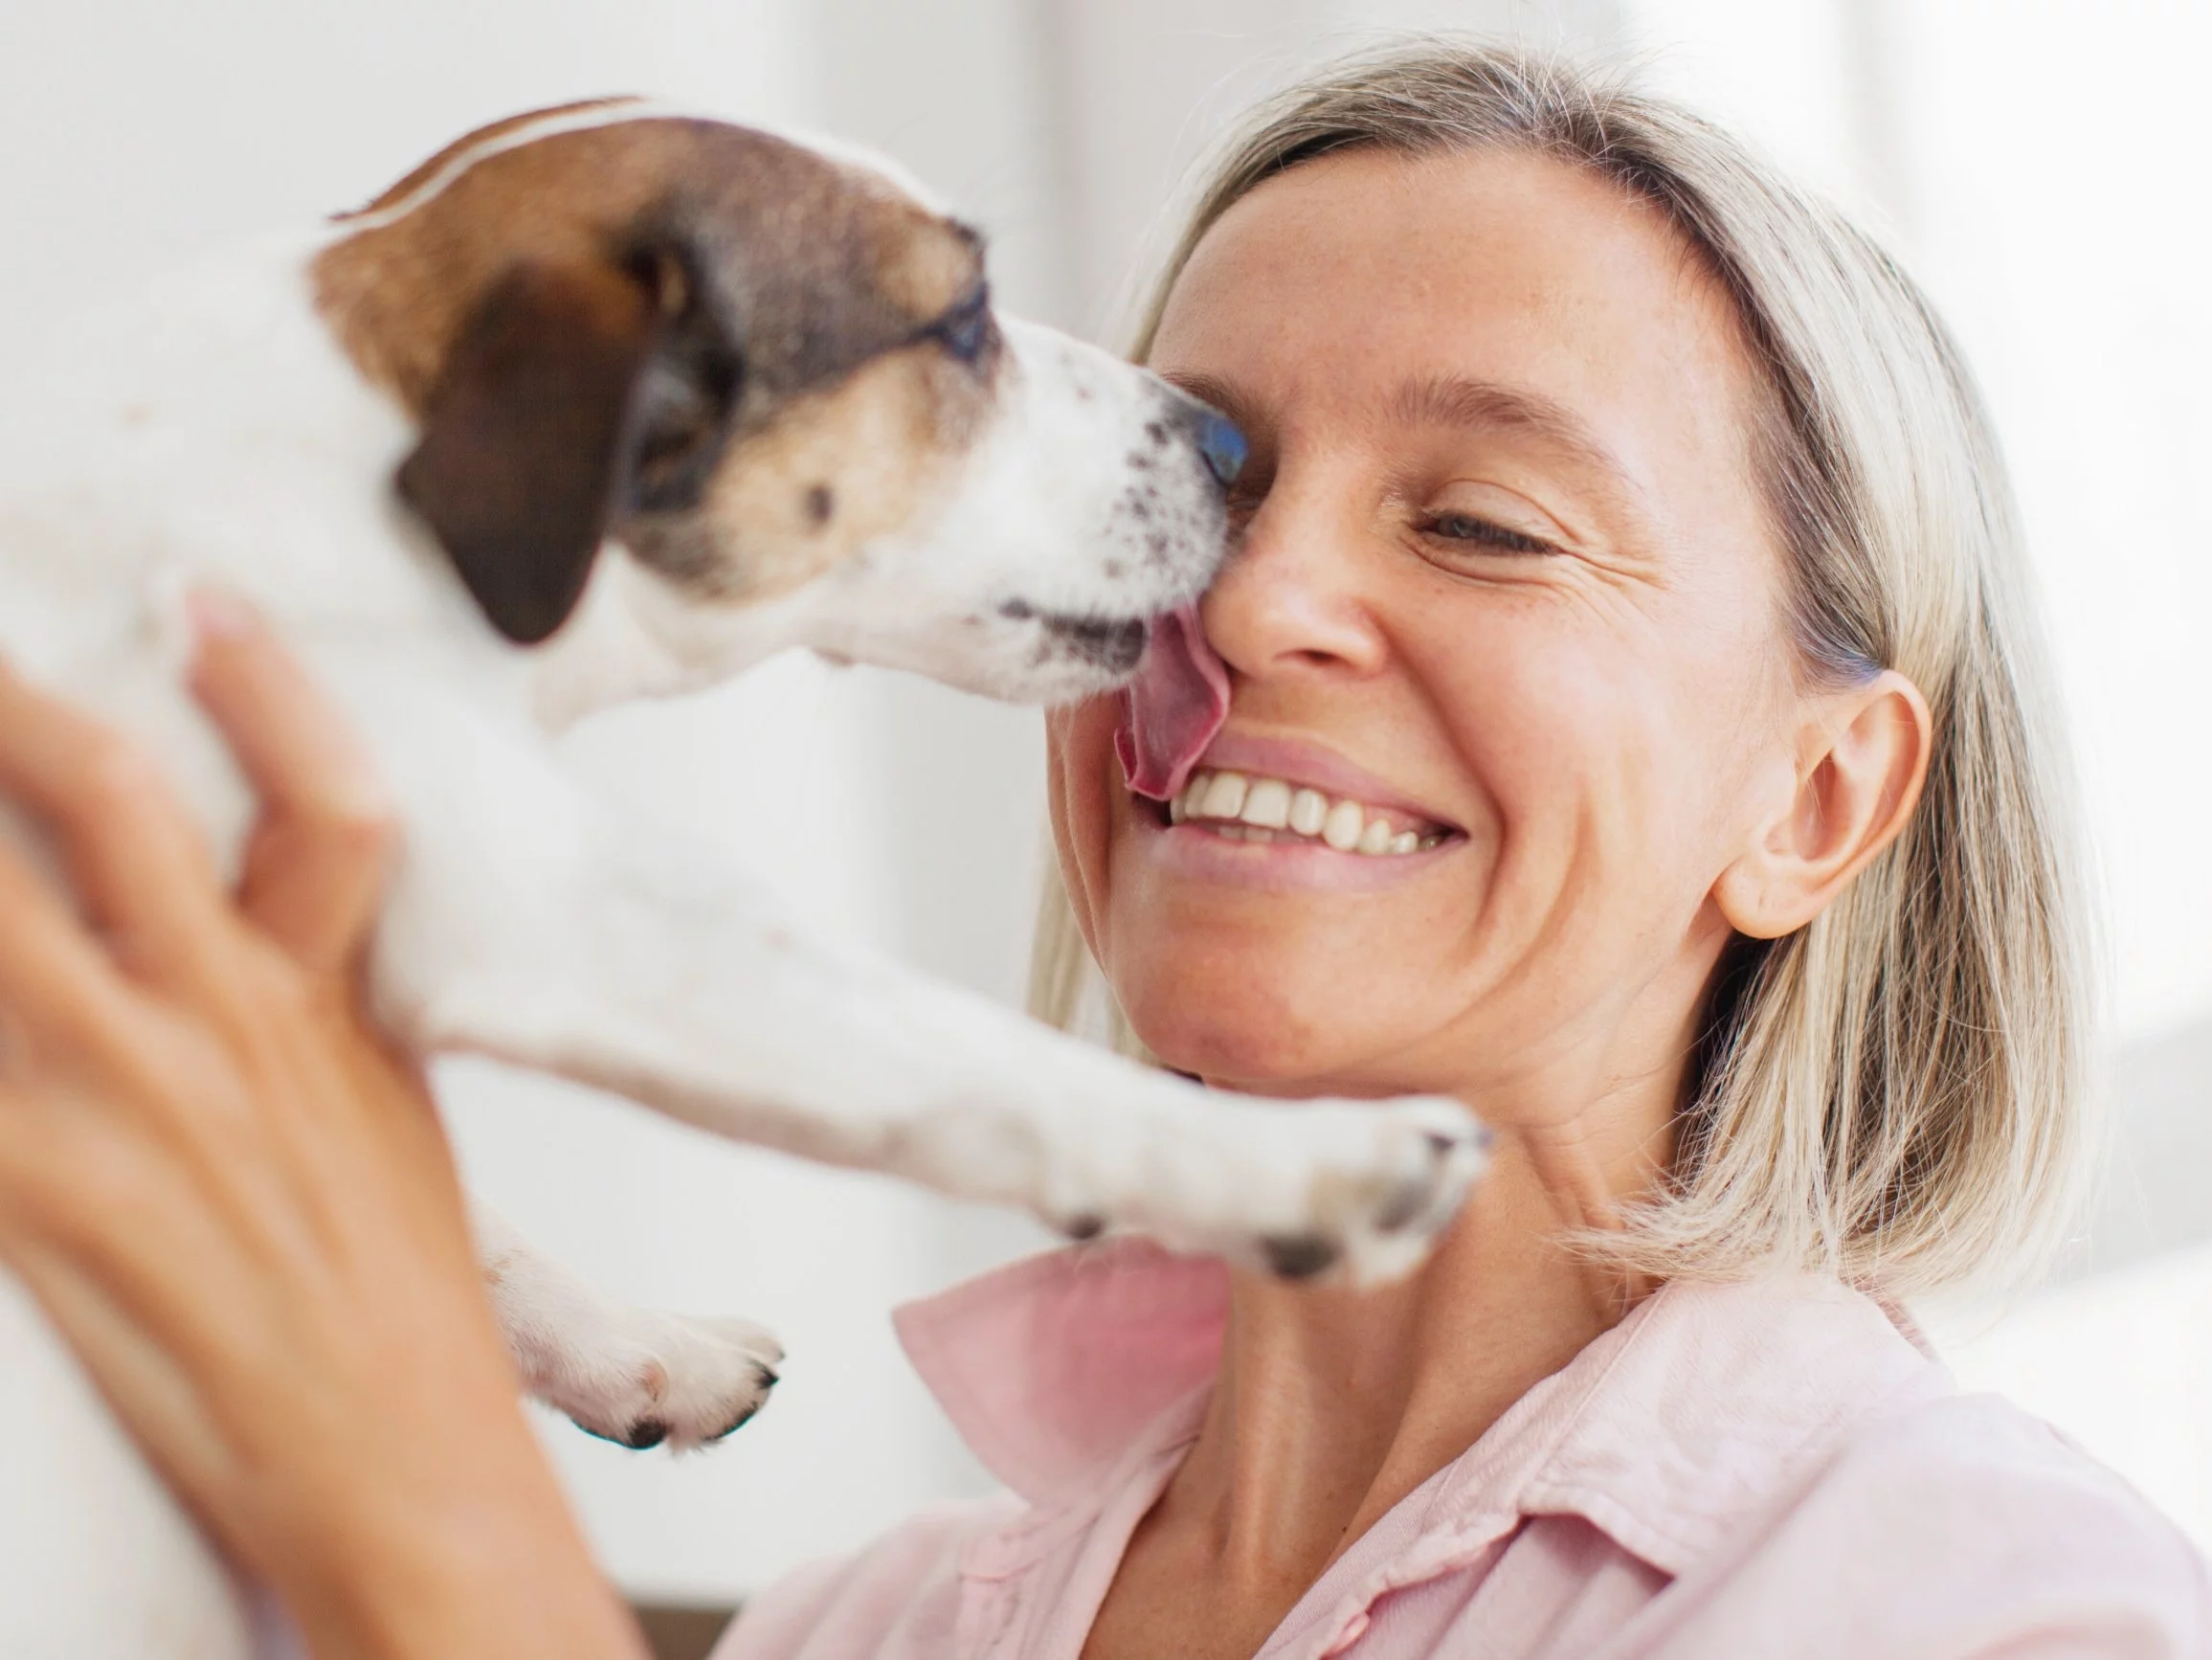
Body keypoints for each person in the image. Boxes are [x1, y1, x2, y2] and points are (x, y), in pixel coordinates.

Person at [0, 39, 2202, 1660]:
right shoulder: (853, 1638)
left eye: (1484, 523)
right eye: (1209, 488)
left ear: (1816, 802)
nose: (1237, 610)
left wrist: (440, 1511)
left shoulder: (1991, 1612)